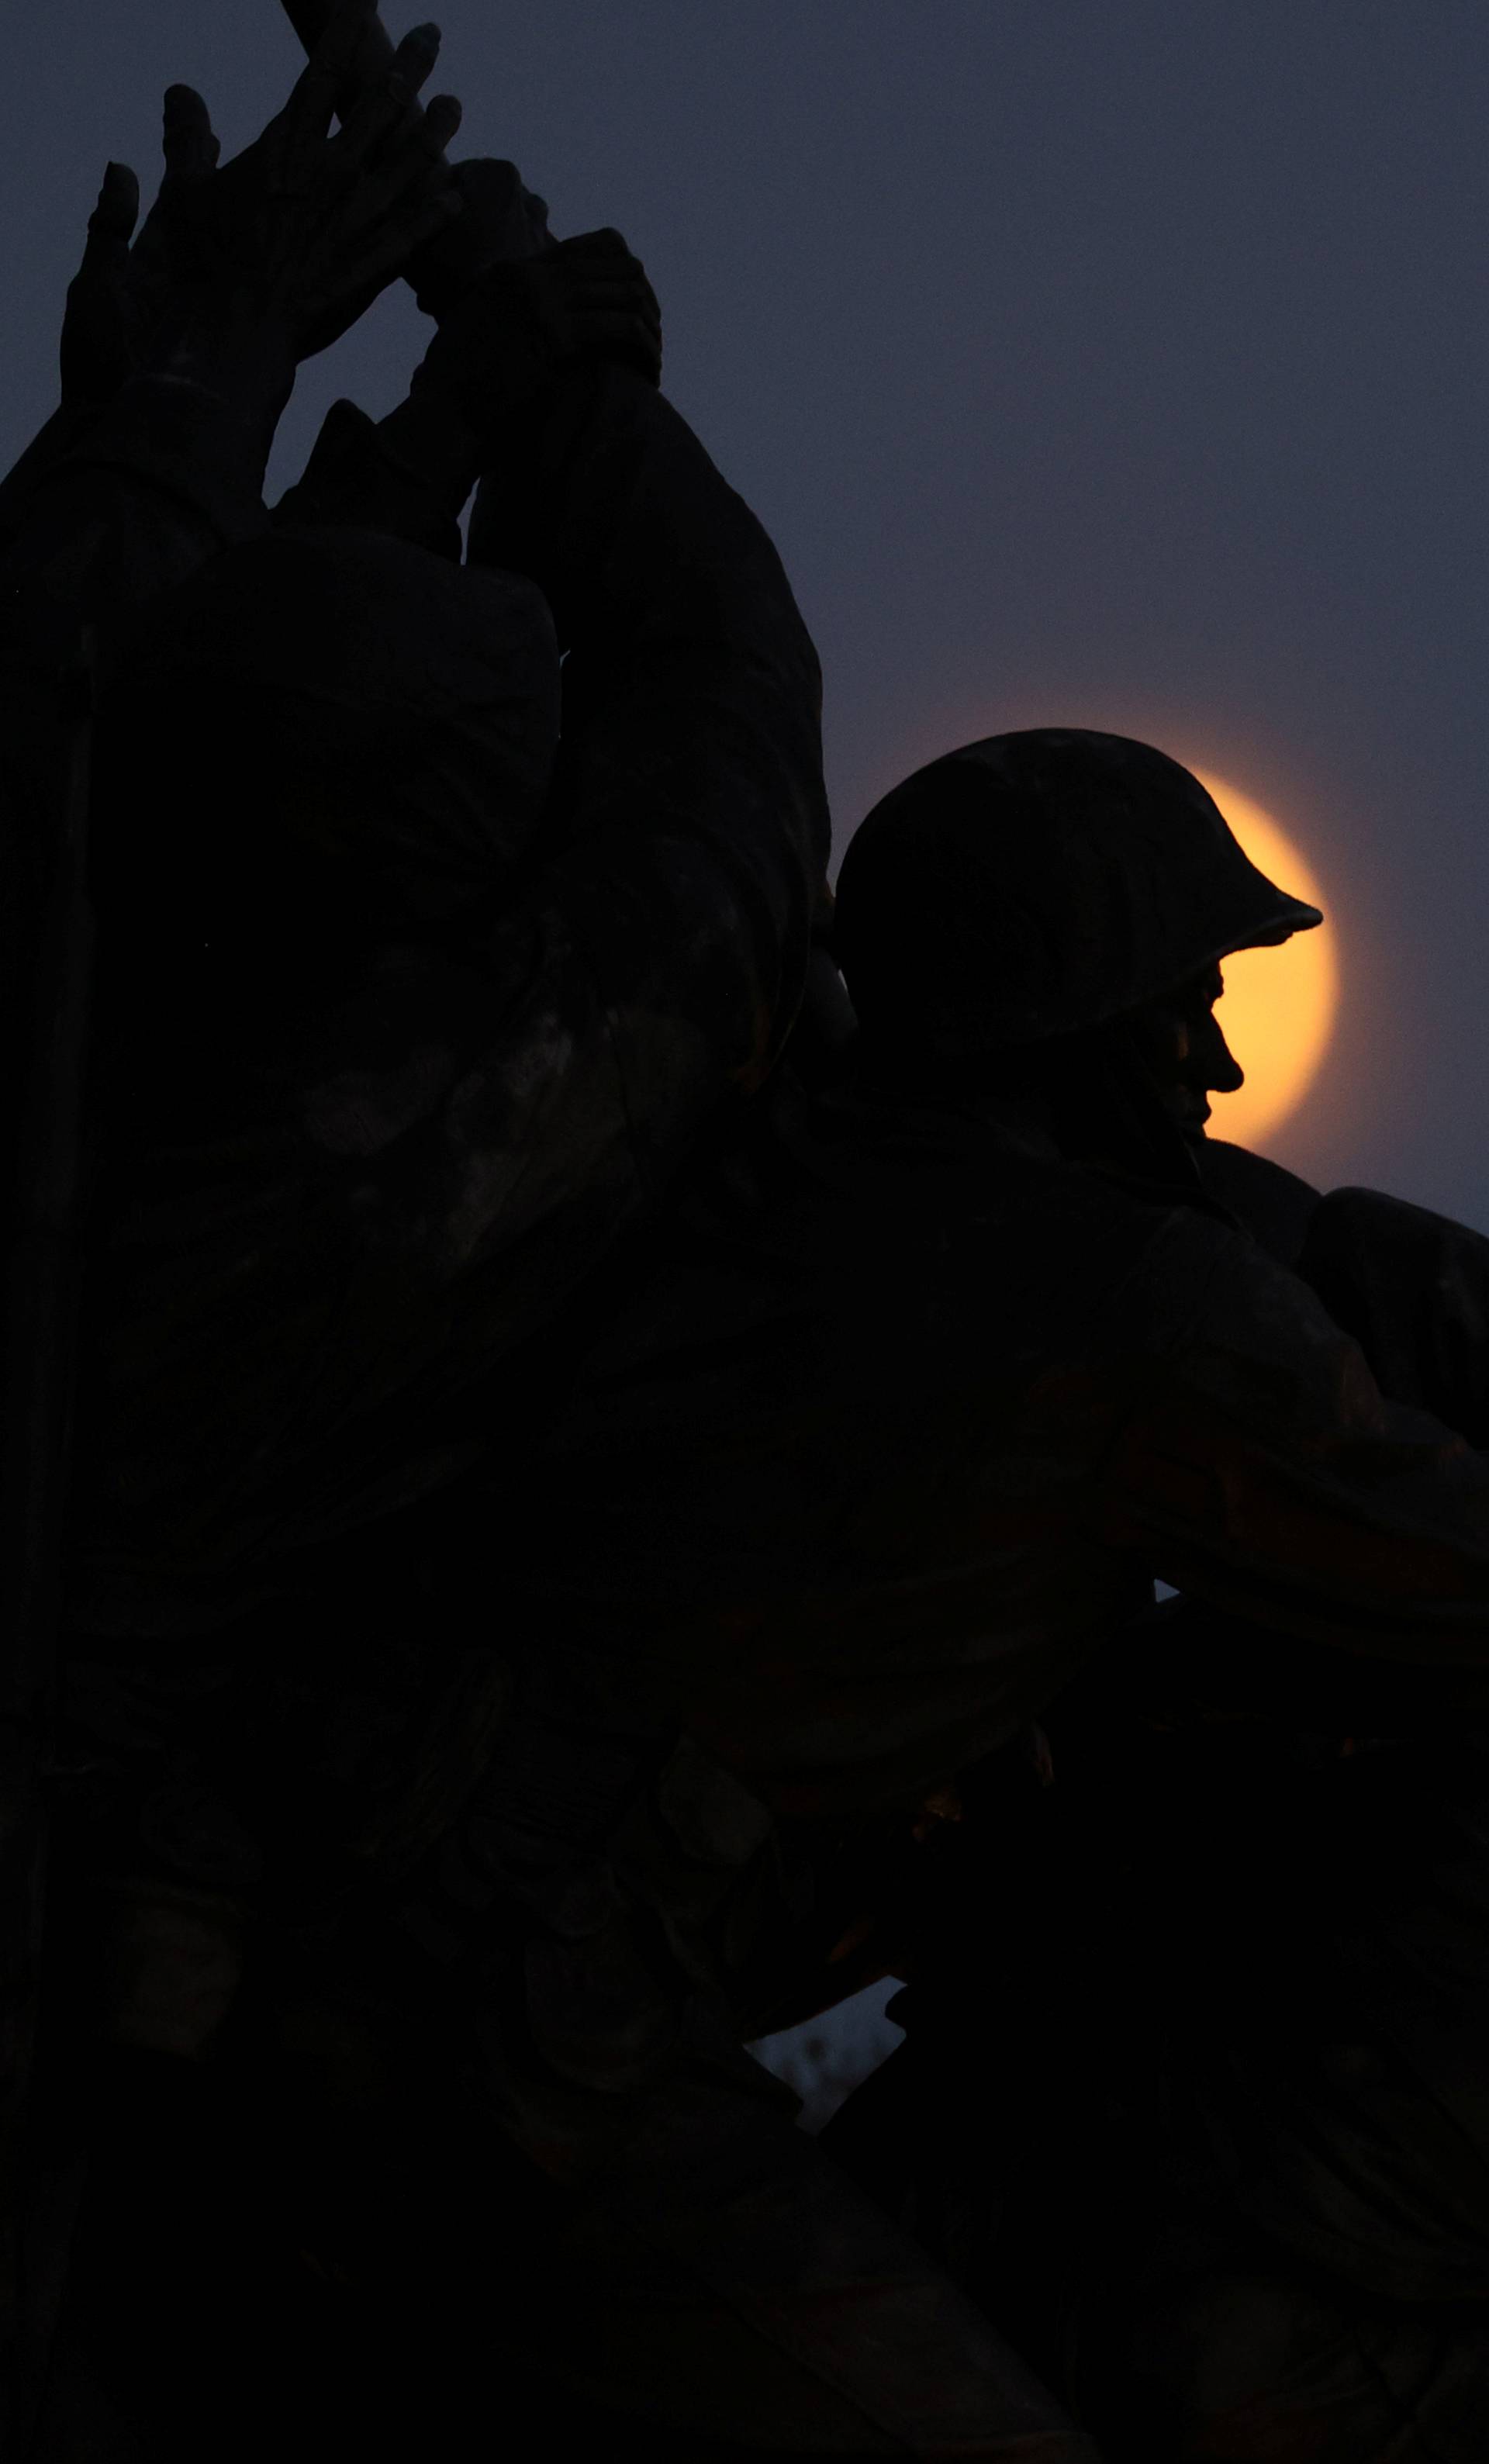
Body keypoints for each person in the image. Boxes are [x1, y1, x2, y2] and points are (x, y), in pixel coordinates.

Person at [2, 15, 834, 2455]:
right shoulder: (423, 1146)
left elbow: (84, 705)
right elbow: (729, 738)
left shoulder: (92, 1009)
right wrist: (540, 347)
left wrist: (189, 395)